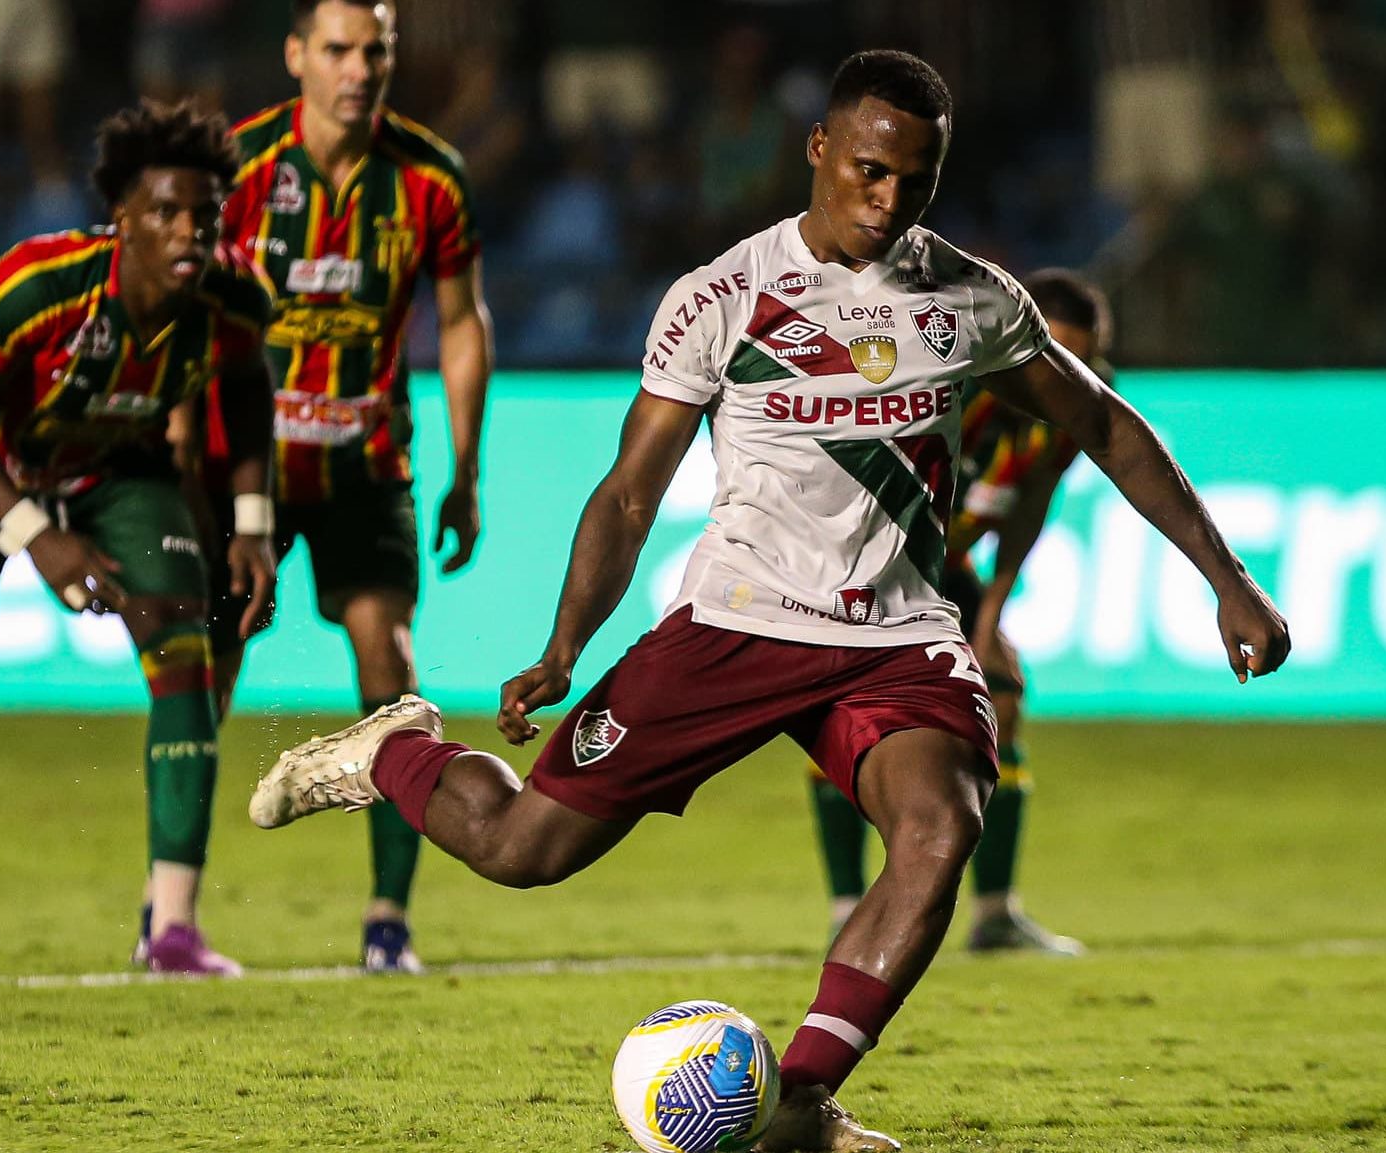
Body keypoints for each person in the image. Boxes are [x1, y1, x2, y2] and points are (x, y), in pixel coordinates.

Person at [251, 50, 1289, 1149]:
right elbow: (628, 489)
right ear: (820, 150)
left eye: (915, 181)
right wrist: (565, 646)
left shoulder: (970, 300)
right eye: (869, 171)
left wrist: (1229, 581)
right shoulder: (721, 298)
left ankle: (797, 1105)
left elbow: (1108, 426)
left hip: (896, 637)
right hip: (737, 623)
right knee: (518, 849)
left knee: (940, 827)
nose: (887, 202)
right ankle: (392, 754)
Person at [0, 102, 279, 978]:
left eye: (203, 214)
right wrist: (35, 534)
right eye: (164, 212)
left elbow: (248, 386)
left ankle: (173, 929)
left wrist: (252, 523)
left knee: (186, 655)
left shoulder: (233, 298)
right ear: (123, 219)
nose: (187, 230)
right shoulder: (41, 281)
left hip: (121, 473)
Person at [201, 0, 493, 974]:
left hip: (369, 465)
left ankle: (386, 921)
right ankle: (173, 915)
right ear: (295, 56)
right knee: (206, 666)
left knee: (390, 669)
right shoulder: (236, 172)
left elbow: (459, 321)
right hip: (251, 465)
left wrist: (467, 466)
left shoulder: (428, 177)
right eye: (338, 49)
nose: (359, 68)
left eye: (376, 50)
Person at [808, 269, 1113, 958]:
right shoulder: (948, 381)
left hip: (948, 566)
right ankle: (847, 908)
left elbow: (1033, 498)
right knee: (839, 715)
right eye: (1047, 355)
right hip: (859, 556)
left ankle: (997, 913)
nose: (1055, 374)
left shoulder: (1078, 406)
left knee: (1002, 699)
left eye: (1076, 360)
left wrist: (991, 616)